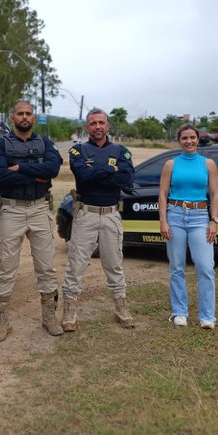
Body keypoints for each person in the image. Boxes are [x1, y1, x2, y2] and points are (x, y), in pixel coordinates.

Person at [0, 100, 63, 340]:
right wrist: (36, 174)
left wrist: (19, 169)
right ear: (12, 117)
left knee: (46, 266)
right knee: (6, 267)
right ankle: (3, 321)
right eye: (19, 113)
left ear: (34, 117)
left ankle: (49, 316)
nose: (24, 117)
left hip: (40, 209)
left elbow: (52, 170)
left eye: (28, 113)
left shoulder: (45, 143)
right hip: (11, 210)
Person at [61, 108, 136, 330]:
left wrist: (96, 169)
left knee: (114, 263)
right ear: (87, 127)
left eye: (101, 122)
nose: (97, 127)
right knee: (76, 264)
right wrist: (111, 169)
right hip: (86, 214)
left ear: (107, 125)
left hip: (111, 214)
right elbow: (83, 176)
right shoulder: (78, 151)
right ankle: (69, 309)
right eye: (93, 123)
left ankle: (120, 306)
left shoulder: (121, 150)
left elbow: (127, 178)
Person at [158, 124, 218, 329]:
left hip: (200, 217)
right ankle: (180, 312)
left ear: (198, 138)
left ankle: (207, 316)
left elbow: (214, 194)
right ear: (179, 141)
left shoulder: (208, 164)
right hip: (175, 216)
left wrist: (214, 220)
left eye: (192, 137)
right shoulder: (171, 164)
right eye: (184, 138)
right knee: (176, 267)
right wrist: (163, 221)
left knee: (205, 267)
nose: (189, 141)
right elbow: (162, 195)